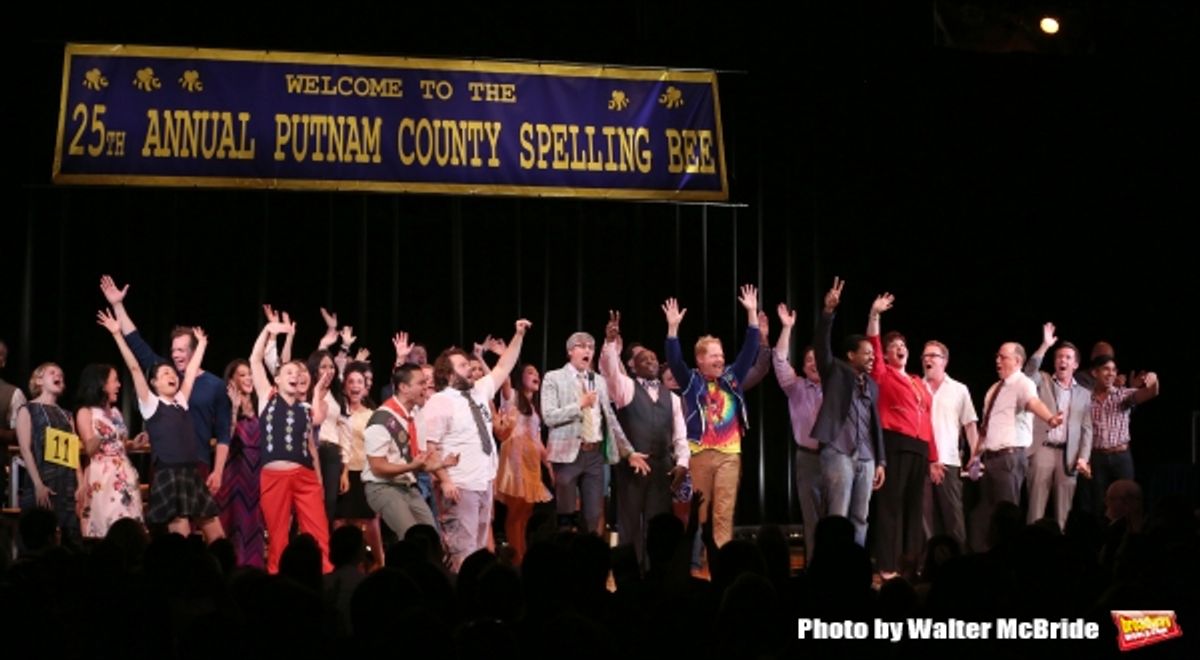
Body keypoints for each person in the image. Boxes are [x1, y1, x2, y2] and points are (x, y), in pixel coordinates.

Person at [97, 309, 224, 541]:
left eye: (172, 373)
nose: (171, 375)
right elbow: (135, 368)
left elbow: (191, 371)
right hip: (169, 474)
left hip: (191, 473)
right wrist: (117, 334)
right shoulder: (151, 404)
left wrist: (202, 345)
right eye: (165, 373)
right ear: (154, 383)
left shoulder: (181, 401)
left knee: (217, 534)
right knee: (181, 536)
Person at [99, 275, 230, 480]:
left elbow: (223, 433)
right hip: (167, 463)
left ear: (194, 351)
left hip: (199, 462)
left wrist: (219, 471)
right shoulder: (166, 374)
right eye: (173, 350)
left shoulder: (213, 385)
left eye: (181, 350)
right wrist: (118, 306)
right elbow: (136, 344)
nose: (175, 355)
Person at [423, 319, 529, 571]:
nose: (470, 368)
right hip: (459, 486)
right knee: (463, 552)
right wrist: (445, 480)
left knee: (480, 552)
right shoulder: (439, 401)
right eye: (462, 366)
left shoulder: (479, 391)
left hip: (483, 483)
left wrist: (518, 335)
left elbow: (504, 365)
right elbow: (430, 448)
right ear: (449, 374)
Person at [662, 284, 761, 549]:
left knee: (724, 512)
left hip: (730, 454)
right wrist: (672, 329)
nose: (721, 359)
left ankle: (722, 561)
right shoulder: (690, 381)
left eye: (722, 355)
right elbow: (674, 360)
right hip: (700, 454)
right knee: (701, 514)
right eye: (714, 355)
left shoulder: (732, 377)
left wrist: (752, 313)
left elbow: (749, 350)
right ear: (700, 359)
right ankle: (700, 559)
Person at [600, 311, 687, 569]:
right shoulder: (625, 388)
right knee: (629, 524)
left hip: (662, 468)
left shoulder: (672, 398)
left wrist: (683, 463)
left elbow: (680, 434)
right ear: (633, 366)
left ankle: (655, 572)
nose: (650, 360)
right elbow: (609, 371)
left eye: (653, 358)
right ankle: (628, 574)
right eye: (643, 359)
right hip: (632, 467)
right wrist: (610, 343)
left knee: (657, 524)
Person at [865, 292, 941, 578]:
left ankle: (910, 566)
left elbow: (928, 421)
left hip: (919, 449)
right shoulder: (882, 374)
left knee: (913, 509)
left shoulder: (918, 382)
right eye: (893, 346)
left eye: (903, 345)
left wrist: (933, 457)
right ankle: (887, 566)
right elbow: (873, 343)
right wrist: (875, 315)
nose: (900, 348)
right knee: (890, 508)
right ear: (885, 355)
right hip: (895, 444)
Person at [544, 330, 647, 535]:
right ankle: (564, 551)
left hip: (594, 455)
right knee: (566, 516)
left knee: (593, 515)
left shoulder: (598, 381)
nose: (587, 351)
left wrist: (628, 452)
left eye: (591, 348)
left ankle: (589, 552)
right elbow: (549, 416)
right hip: (567, 455)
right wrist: (579, 405)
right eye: (582, 347)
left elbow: (610, 419)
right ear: (570, 351)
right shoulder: (553, 378)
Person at [249, 320, 332, 573]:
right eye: (289, 372)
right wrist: (267, 330)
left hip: (305, 476)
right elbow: (255, 360)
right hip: (274, 477)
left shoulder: (305, 408)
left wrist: (319, 480)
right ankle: (277, 577)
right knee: (277, 535)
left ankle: (324, 575)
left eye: (298, 373)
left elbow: (313, 441)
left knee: (318, 531)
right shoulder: (267, 397)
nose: (295, 375)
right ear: (276, 379)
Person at [810, 277, 885, 548]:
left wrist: (881, 461)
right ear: (851, 355)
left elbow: (875, 424)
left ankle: (855, 563)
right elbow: (821, 346)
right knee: (837, 516)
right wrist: (828, 312)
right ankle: (833, 563)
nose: (872, 357)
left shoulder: (872, 385)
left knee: (861, 518)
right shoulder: (835, 371)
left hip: (866, 456)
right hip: (838, 451)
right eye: (866, 353)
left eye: (873, 354)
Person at [967, 341, 1062, 551]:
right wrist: (975, 455)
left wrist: (1050, 418)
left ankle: (1009, 558)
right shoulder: (994, 389)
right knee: (985, 516)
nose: (997, 361)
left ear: (1018, 361)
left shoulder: (1023, 383)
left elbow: (1033, 403)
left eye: (1003, 357)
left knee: (1006, 516)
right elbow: (985, 427)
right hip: (990, 459)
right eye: (997, 357)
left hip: (1009, 458)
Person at [1023, 323, 1092, 530]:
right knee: (1035, 509)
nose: (1063, 360)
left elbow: (1087, 430)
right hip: (1043, 448)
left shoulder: (1084, 394)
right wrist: (1045, 345)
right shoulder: (1043, 380)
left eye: (1068, 357)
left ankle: (1061, 547)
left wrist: (1083, 458)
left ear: (1075, 364)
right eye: (1059, 357)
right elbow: (1028, 372)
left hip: (1068, 456)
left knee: (1064, 514)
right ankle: (1031, 543)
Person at [773, 303, 824, 563]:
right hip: (808, 458)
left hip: (837, 457)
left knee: (838, 517)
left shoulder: (838, 386)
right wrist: (786, 328)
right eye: (809, 360)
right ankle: (815, 567)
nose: (814, 364)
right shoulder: (797, 387)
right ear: (803, 367)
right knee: (812, 518)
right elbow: (780, 360)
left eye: (818, 359)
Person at [15, 362, 83, 546]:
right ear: (38, 380)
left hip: (66, 483)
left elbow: (73, 449)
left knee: (69, 537)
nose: (58, 375)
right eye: (52, 372)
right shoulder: (28, 409)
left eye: (61, 374)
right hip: (43, 479)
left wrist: (80, 481)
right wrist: (38, 484)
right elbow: (25, 449)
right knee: (40, 534)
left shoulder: (67, 415)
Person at [75, 363, 145, 538]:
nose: (119, 385)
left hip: (124, 473)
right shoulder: (86, 412)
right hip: (102, 476)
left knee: (129, 521)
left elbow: (119, 443)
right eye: (115, 381)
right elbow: (90, 449)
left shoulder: (115, 413)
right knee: (106, 522)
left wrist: (133, 444)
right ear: (102, 384)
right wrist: (101, 434)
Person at [920, 339, 978, 549]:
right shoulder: (916, 386)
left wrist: (975, 455)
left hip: (949, 461)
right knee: (925, 520)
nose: (927, 359)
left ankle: (959, 560)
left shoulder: (959, 389)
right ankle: (928, 562)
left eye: (933, 355)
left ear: (944, 361)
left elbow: (970, 424)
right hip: (922, 462)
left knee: (953, 517)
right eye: (925, 356)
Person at [1088, 354, 1159, 520]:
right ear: (1095, 373)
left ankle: (1131, 532)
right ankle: (1103, 533)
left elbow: (1151, 392)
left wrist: (1154, 378)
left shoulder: (1122, 395)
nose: (1111, 373)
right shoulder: (1086, 398)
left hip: (1121, 457)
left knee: (1129, 500)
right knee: (1099, 503)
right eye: (1106, 369)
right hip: (1097, 457)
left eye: (1114, 370)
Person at [495, 363, 553, 564]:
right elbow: (503, 378)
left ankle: (522, 556)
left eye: (537, 372)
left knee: (526, 513)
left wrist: (549, 465)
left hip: (531, 465)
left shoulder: (534, 409)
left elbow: (538, 441)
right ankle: (516, 559)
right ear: (521, 378)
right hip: (515, 463)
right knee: (516, 512)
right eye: (530, 372)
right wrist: (503, 357)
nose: (536, 375)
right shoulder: (512, 396)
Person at [217, 358, 265, 568]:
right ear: (231, 380)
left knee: (255, 522)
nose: (248, 378)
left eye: (250, 374)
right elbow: (225, 437)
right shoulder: (226, 405)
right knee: (234, 522)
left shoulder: (259, 404)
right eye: (243, 375)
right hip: (235, 472)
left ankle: (253, 567)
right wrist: (235, 410)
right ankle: (231, 567)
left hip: (257, 473)